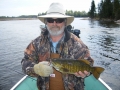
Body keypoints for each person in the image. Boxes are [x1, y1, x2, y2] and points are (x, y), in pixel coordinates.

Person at [21, 2, 94, 90]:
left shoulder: (78, 44)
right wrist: (35, 69)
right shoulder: (36, 43)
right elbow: (25, 62)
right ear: (46, 22)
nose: (54, 24)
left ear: (65, 22)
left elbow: (89, 63)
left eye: (59, 20)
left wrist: (86, 73)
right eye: (50, 20)